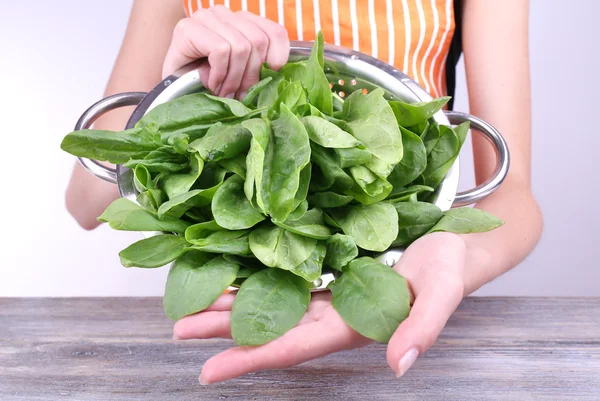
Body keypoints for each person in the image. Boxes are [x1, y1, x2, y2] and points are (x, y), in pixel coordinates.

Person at [65, 0, 543, 385]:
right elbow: (87, 201)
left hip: (407, 319)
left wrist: (459, 253)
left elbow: (514, 195)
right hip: (216, 332)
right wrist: (170, 92)